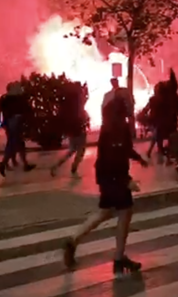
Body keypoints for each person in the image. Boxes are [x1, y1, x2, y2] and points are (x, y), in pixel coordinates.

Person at [61, 94, 148, 278]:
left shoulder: (109, 127)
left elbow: (122, 150)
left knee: (106, 212)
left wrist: (138, 158)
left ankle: (73, 240)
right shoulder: (118, 128)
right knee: (125, 212)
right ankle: (118, 258)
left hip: (107, 177)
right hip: (114, 178)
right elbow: (114, 156)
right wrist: (126, 181)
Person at [0, 81, 36, 177]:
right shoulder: (19, 98)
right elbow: (28, 110)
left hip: (8, 123)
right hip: (16, 122)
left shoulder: (4, 98)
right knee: (14, 143)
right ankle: (3, 163)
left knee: (17, 143)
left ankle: (25, 164)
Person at [51, 83, 88, 176]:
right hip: (79, 126)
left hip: (71, 128)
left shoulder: (67, 100)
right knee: (81, 149)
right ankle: (74, 167)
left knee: (72, 149)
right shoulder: (77, 99)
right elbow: (81, 110)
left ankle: (57, 165)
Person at [0, 84, 19, 170]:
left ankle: (12, 160)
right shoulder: (8, 99)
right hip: (10, 122)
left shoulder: (6, 98)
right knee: (12, 142)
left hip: (8, 123)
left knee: (13, 141)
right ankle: (5, 162)